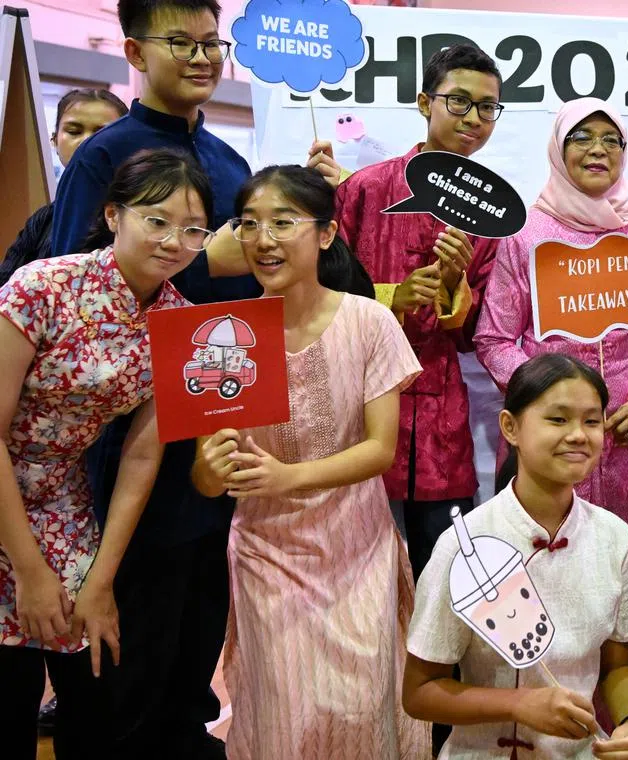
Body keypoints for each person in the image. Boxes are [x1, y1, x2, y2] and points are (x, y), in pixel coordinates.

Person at [49, 1, 339, 755]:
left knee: (194, 636)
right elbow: (74, 287)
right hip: (121, 442)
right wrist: (204, 258)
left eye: (214, 43)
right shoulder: (103, 156)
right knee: (124, 659)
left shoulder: (231, 164)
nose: (204, 57)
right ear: (136, 50)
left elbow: (258, 294)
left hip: (217, 423)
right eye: (183, 42)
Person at [192, 166, 428, 759]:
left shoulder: (368, 319)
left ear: (325, 235)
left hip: (358, 546)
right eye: (249, 224)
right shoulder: (225, 332)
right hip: (266, 551)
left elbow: (379, 449)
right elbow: (204, 475)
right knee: (285, 714)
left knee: (361, 705)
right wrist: (213, 469)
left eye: (283, 222)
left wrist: (287, 476)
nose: (264, 239)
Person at [0, 148, 215, 760]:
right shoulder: (42, 286)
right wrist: (30, 570)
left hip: (64, 498)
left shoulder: (181, 321)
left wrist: (100, 579)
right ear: (114, 215)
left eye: (194, 229)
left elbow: (143, 457)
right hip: (2, 485)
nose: (175, 241)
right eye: (157, 220)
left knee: (93, 674)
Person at [475, 97, 628, 621]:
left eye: (610, 139)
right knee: (537, 584)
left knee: (619, 591)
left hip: (623, 442)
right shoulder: (527, 236)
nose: (598, 150)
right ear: (558, 149)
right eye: (582, 138)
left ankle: (618, 706)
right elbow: (494, 338)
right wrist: (545, 398)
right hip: (546, 443)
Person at [403, 353, 628, 760]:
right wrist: (519, 705)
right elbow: (419, 693)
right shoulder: (466, 545)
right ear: (510, 428)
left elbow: (618, 664)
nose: (577, 435)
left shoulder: (614, 537)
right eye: (558, 419)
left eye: (591, 421)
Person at [334, 43, 503, 581]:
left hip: (441, 418)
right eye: (459, 102)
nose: (473, 118)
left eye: (487, 107)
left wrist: (455, 291)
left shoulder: (489, 212)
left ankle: (436, 670)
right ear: (424, 101)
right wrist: (391, 299)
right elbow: (323, 298)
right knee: (361, 573)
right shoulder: (365, 189)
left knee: (446, 572)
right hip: (359, 408)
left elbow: (479, 335)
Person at [0, 89, 128, 286]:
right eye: (74, 131)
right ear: (54, 140)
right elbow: (5, 286)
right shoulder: (44, 219)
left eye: (102, 133)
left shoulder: (137, 217)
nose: (87, 142)